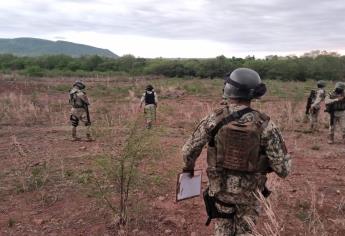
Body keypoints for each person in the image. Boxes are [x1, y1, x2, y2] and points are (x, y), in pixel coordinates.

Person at [181, 68, 291, 236]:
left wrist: (189, 169)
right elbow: (284, 170)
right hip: (251, 195)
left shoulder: (214, 118)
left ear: (229, 89)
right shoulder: (266, 124)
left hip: (221, 192)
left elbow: (188, 151)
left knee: (222, 231)